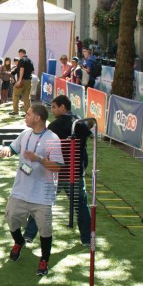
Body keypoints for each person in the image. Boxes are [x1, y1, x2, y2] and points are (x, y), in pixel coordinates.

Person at [0, 103, 64, 277]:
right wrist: (6, 150)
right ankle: (19, 242)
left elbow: (57, 167)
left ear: (37, 118)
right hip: (20, 190)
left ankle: (44, 260)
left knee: (45, 229)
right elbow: (12, 148)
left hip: (42, 194)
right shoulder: (25, 134)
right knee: (11, 218)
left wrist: (39, 159)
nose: (25, 116)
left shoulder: (52, 138)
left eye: (28, 114)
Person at [46, 95, 91, 246]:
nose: (52, 110)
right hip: (76, 171)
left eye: (54, 107)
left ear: (62, 107)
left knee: (42, 201)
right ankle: (86, 239)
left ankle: (29, 234)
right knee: (81, 206)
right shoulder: (81, 122)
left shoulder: (54, 127)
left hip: (58, 172)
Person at [11, 48, 35, 116]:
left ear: (21, 53)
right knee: (27, 97)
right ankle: (28, 113)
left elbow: (22, 69)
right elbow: (32, 71)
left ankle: (15, 111)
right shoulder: (30, 61)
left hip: (22, 81)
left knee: (15, 95)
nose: (19, 55)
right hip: (29, 81)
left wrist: (19, 80)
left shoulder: (21, 60)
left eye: (19, 54)